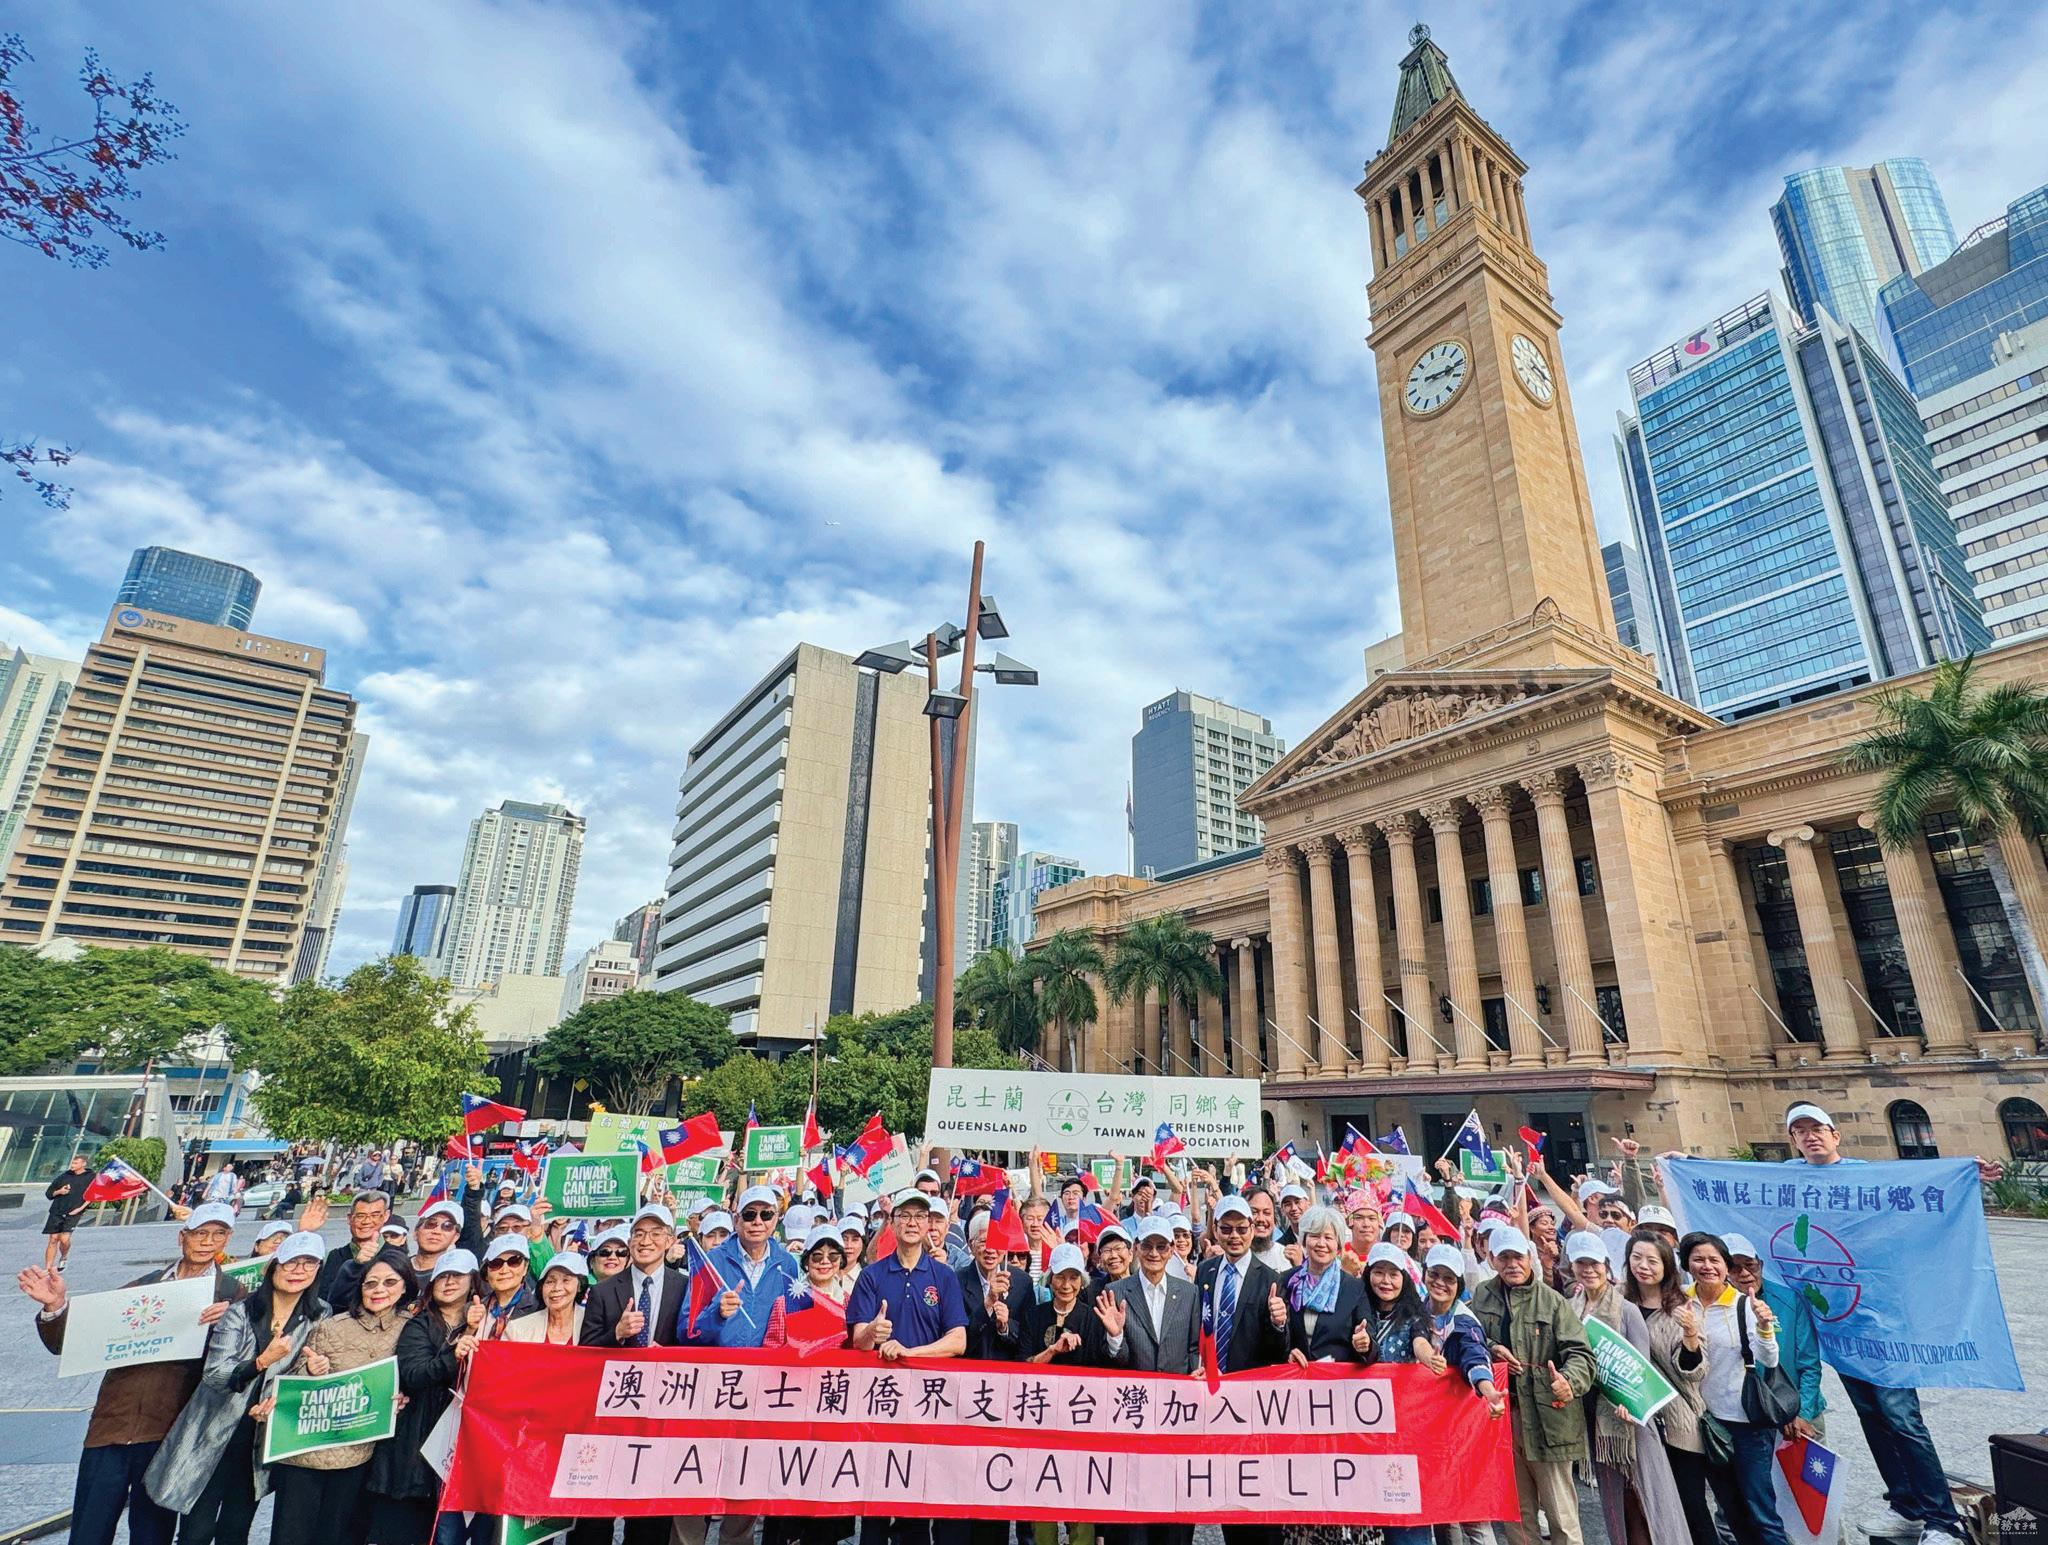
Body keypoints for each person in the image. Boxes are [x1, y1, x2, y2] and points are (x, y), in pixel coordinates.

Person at [1776, 1104, 1976, 1540]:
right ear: (1793, 1141)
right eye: (1800, 1131)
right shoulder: (1788, 1178)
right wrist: (1678, 1167)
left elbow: (1921, 1196)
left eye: (1817, 1128)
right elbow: (1731, 1184)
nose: (1810, 1136)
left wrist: (1965, 1175)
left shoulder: (1866, 1177)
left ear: (1835, 1135)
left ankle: (1943, 1520)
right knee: (1872, 1418)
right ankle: (1906, 1506)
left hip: (1883, 1326)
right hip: (1840, 1331)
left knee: (1902, 1419)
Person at [19, 1202, 244, 1545]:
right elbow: (72, 1341)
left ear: (227, 1240)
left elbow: (243, 1360)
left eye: (218, 1234)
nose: (207, 1241)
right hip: (112, 1426)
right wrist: (55, 1306)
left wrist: (230, 1323)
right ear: (182, 1237)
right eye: (200, 1233)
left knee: (152, 1534)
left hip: (169, 1431)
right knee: (89, 1531)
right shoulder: (142, 1286)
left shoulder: (233, 1296)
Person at [140, 1228, 323, 1545]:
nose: (298, 1271)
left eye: (309, 1263)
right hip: (213, 1432)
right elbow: (215, 1374)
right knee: (196, 1532)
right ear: (273, 1267)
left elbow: (301, 1371)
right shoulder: (240, 1311)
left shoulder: (319, 1315)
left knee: (236, 1530)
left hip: (260, 1439)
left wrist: (315, 1370)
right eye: (291, 1262)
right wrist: (261, 1361)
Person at [264, 1246, 417, 1545]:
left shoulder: (411, 1328)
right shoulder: (332, 1326)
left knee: (337, 1535)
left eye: (389, 1282)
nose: (379, 1290)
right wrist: (311, 1370)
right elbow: (289, 1381)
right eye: (370, 1283)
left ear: (405, 1287)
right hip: (306, 1454)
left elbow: (416, 1375)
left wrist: (402, 1397)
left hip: (357, 1455)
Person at [846, 1188, 968, 1545]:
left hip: (926, 1403)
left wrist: (910, 1353)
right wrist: (873, 1331)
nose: (912, 1223)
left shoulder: (943, 1276)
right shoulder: (872, 1275)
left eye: (920, 1216)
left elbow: (958, 1341)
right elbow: (857, 1340)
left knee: (916, 1500)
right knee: (875, 1501)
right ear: (893, 1222)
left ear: (930, 1224)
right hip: (880, 1404)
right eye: (904, 1216)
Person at [1466, 1226, 1595, 1545]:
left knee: (1561, 1517)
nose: (1512, 1264)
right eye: (1504, 1257)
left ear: (1530, 1257)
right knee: (1518, 1517)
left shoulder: (1552, 1302)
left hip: (1547, 1420)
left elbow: (1581, 1354)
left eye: (1518, 1256)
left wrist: (1569, 1381)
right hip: (1501, 1419)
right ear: (1491, 1258)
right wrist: (1493, 1347)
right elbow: (1468, 1336)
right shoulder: (1481, 1295)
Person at [1563, 1232, 1691, 1545]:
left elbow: (1640, 1370)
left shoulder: (1626, 1310)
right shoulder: (1568, 1308)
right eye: (1581, 1263)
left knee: (1648, 1497)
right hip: (1593, 1420)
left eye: (1594, 1263)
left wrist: (1631, 1404)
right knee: (1617, 1503)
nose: (1588, 1270)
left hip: (1630, 1419)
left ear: (1606, 1265)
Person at [580, 1205, 687, 1545]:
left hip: (660, 1417)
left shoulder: (686, 1287)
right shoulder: (604, 1290)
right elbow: (584, 1352)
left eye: (656, 1234)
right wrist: (617, 1334)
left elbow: (696, 1345)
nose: (646, 1241)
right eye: (639, 1233)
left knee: (650, 1520)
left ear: (669, 1240)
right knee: (595, 1517)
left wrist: (668, 1357)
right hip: (611, 1418)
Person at [1679, 1232, 1788, 1545]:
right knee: (1730, 1508)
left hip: (1746, 1422)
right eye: (1698, 1259)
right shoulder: (1680, 1301)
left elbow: (1769, 1359)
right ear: (1687, 1263)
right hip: (1705, 1422)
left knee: (1760, 1509)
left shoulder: (1744, 1305)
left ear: (1726, 1266)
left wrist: (1765, 1326)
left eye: (1714, 1260)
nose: (1707, 1266)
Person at [1095, 1217, 1198, 1545]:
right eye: (1148, 1246)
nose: (1154, 1253)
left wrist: (1198, 1371)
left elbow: (1193, 1347)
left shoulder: (1189, 1292)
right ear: (1136, 1249)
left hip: (1176, 1420)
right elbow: (1113, 1360)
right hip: (1131, 1419)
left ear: (1171, 1250)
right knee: (1132, 1520)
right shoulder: (1115, 1292)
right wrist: (1115, 1337)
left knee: (1174, 1516)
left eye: (1161, 1247)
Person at [369, 1249, 479, 1545]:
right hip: (416, 1447)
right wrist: (454, 1354)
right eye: (442, 1277)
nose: (449, 1282)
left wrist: (472, 1330)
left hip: (463, 1445)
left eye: (457, 1275)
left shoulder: (488, 1323)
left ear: (473, 1281)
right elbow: (414, 1374)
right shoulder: (418, 1324)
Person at [1622, 1230, 1714, 1545]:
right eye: (1637, 1258)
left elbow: (1694, 1371)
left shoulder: (1681, 1307)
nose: (1643, 1266)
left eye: (1652, 1260)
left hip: (1676, 1422)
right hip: (1634, 1420)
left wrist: (1690, 1336)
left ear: (1667, 1267)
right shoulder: (1618, 1299)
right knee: (1645, 1507)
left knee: (1690, 1506)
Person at [691, 1185, 800, 1352]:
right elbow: (686, 1330)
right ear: (736, 1220)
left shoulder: (787, 1264)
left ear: (776, 1219)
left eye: (766, 1214)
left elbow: (792, 1326)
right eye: (750, 1214)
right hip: (721, 1365)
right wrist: (717, 1314)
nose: (758, 1222)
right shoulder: (711, 1262)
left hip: (766, 1365)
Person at [960, 1209, 1034, 1362]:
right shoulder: (956, 1281)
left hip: (1007, 1370)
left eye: (997, 1241)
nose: (991, 1249)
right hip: (969, 1368)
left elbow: (1029, 1337)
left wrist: (1005, 1327)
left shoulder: (1023, 1282)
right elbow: (958, 1338)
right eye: (983, 1242)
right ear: (971, 1245)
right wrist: (986, 1306)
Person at [315, 1190, 393, 1307]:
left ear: (386, 1216)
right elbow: (326, 1300)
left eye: (375, 1215)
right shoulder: (336, 1256)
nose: (366, 1221)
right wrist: (355, 1266)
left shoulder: (395, 1255)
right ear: (349, 1218)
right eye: (360, 1216)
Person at [507, 1251, 588, 1344]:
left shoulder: (593, 1324)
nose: (557, 1288)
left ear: (579, 1286)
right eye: (550, 1281)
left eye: (566, 1280)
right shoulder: (518, 1329)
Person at [478, 1235, 539, 1340]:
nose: (504, 1270)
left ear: (525, 1268)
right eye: (496, 1263)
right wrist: (468, 1332)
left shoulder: (538, 1310)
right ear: (486, 1273)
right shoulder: (474, 1309)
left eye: (514, 1261)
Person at [42, 1153, 93, 1272]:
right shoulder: (64, 1176)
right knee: (53, 1239)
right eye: (72, 1163)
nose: (72, 1165)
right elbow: (49, 1193)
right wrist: (59, 1191)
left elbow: (93, 1195)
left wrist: (80, 1208)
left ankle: (64, 1256)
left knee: (64, 1239)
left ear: (83, 1164)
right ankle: (48, 1269)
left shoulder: (91, 1177)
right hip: (57, 1210)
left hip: (74, 1212)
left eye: (76, 1163)